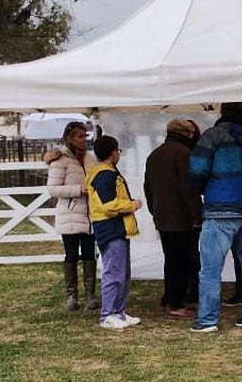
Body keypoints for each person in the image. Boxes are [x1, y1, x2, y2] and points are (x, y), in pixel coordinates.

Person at [188, 101, 242, 333]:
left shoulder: (212, 136)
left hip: (219, 209)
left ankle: (207, 320)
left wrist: (204, 189)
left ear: (222, 113)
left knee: (211, 268)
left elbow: (196, 170)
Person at [144, 118, 202, 318]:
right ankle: (176, 304)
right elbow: (188, 189)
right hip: (181, 218)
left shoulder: (154, 154)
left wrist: (154, 211)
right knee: (182, 262)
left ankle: (168, 298)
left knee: (171, 260)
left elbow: (148, 188)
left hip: (162, 217)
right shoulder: (184, 154)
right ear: (187, 134)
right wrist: (197, 214)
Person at [86, 135, 143, 331]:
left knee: (123, 272)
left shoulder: (109, 172)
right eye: (118, 150)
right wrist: (131, 205)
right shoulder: (104, 175)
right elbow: (109, 205)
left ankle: (118, 311)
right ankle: (107, 314)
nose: (119, 154)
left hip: (119, 229)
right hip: (110, 229)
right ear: (112, 153)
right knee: (113, 273)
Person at [43, 121, 97, 311]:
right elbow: (53, 188)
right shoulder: (61, 161)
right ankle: (72, 295)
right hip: (70, 213)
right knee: (72, 255)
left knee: (90, 255)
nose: (84, 140)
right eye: (80, 136)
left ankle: (90, 294)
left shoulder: (90, 158)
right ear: (70, 138)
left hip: (90, 214)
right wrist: (78, 190)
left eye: (85, 136)